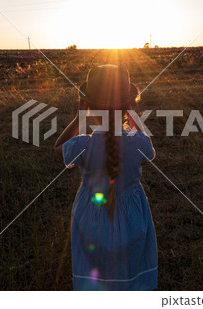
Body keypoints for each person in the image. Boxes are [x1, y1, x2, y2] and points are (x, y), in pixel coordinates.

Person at [54, 64, 157, 290]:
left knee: (96, 275)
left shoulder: (84, 144)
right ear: (128, 106)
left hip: (91, 217)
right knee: (130, 270)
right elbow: (149, 147)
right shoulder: (137, 143)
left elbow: (58, 147)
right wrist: (131, 113)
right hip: (132, 217)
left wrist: (80, 116)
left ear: (89, 107)